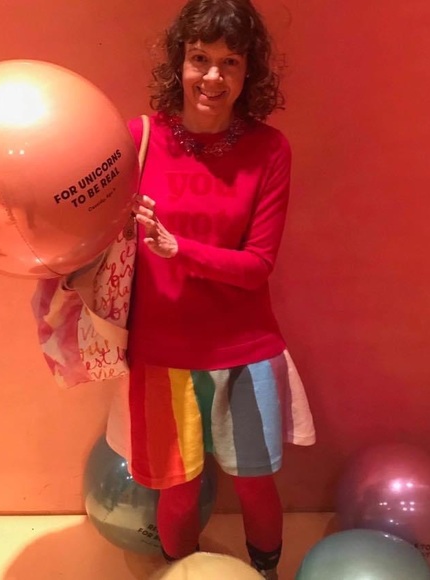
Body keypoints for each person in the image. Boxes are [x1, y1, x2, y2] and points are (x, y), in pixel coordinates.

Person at [104, 1, 316, 578]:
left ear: (249, 73)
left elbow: (257, 266)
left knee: (254, 485)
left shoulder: (269, 149)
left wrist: (180, 250)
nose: (213, 77)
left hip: (245, 350)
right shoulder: (138, 139)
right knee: (178, 490)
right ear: (180, 62)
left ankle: (266, 574)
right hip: (161, 353)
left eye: (231, 62)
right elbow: (94, 231)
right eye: (200, 58)